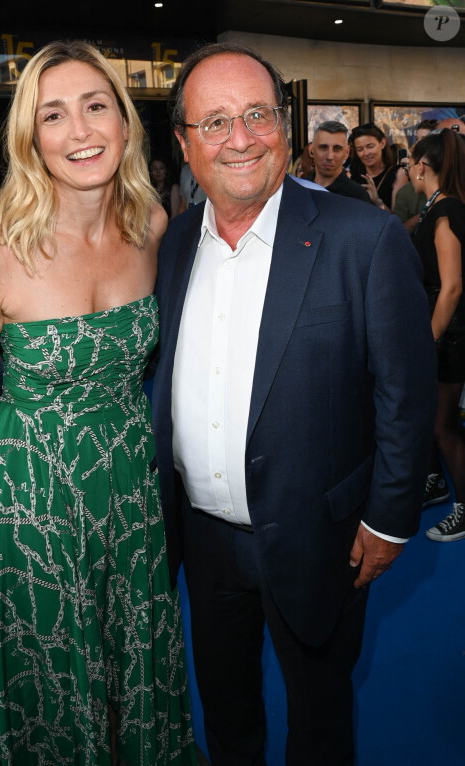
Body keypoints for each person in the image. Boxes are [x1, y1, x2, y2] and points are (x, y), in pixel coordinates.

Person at [152, 41, 437, 766]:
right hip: (203, 540)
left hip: (323, 535)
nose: (240, 138)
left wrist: (389, 519)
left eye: (256, 114)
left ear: (286, 124)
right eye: (213, 122)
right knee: (226, 709)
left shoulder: (363, 239)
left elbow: (405, 393)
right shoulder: (172, 245)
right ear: (184, 143)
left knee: (319, 718)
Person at [0, 40, 196, 766]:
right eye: (54, 115)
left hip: (129, 488)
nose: (80, 132)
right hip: (33, 499)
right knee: (57, 683)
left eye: (96, 107)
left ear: (124, 123)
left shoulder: (153, 228)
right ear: (31, 136)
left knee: (135, 665)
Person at [410, 129, 465, 542]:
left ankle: (463, 507)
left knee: (443, 425)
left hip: (450, 336)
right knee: (435, 422)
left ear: (422, 166)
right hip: (445, 333)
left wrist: (429, 339)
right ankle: (440, 484)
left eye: (411, 163)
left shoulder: (447, 211)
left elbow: (451, 287)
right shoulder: (439, 208)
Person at [349, 123, 408, 211]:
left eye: (370, 146)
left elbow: (397, 219)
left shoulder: (398, 173)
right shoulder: (355, 174)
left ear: (382, 143)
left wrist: (377, 201)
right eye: (360, 149)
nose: (366, 153)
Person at [309, 120, 371, 202]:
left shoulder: (357, 196)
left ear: (347, 152)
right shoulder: (299, 189)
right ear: (311, 150)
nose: (329, 156)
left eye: (337, 149)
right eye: (323, 147)